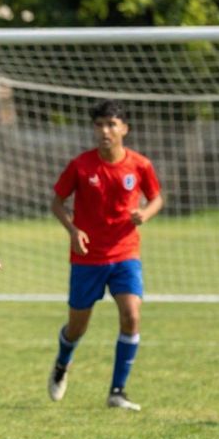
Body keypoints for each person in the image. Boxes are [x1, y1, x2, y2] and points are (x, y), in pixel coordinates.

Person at [47, 100, 163, 411]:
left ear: (124, 128)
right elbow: (57, 202)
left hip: (125, 253)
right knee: (77, 328)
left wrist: (146, 214)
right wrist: (73, 230)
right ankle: (62, 362)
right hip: (87, 258)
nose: (105, 131)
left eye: (111, 124)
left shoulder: (140, 165)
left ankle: (117, 391)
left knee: (132, 315)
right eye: (99, 125)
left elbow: (156, 198)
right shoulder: (81, 165)